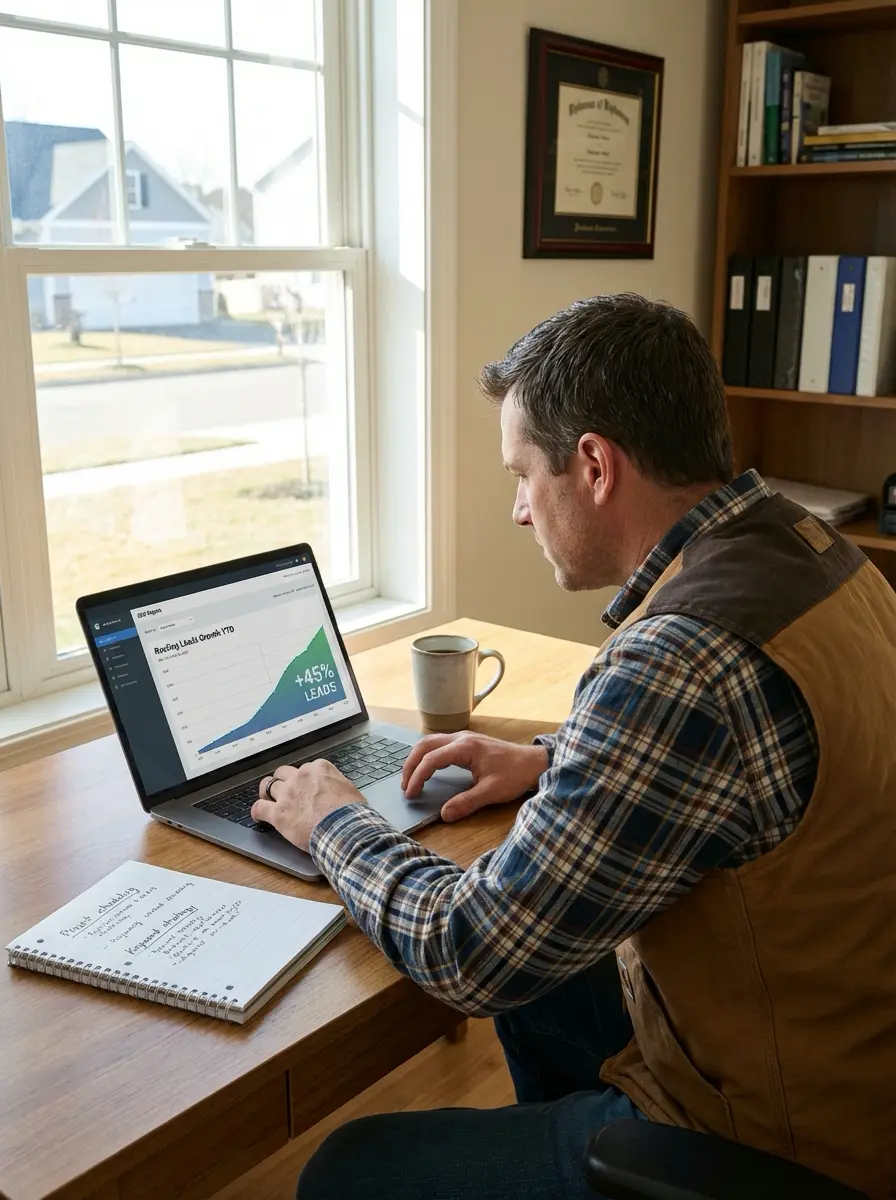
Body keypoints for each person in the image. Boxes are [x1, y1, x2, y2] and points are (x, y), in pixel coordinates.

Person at [251, 294, 896, 1200]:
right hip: (855, 1055)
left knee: (347, 1171)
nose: (519, 510)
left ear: (593, 465)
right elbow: (759, 755)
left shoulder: (679, 659)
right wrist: (557, 759)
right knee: (550, 976)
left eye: (522, 474)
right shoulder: (812, 549)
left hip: (787, 1145)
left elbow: (470, 953)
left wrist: (334, 822)